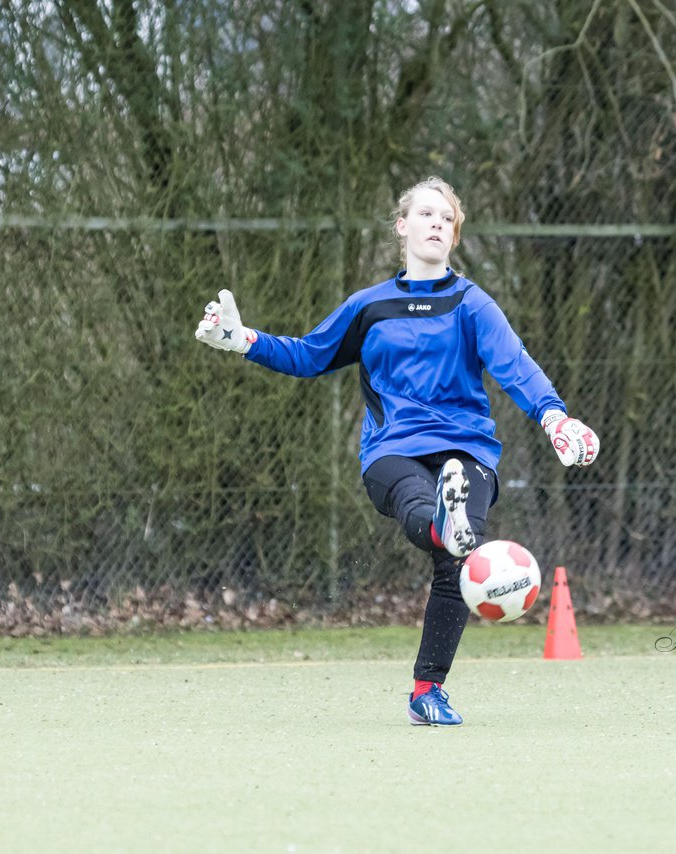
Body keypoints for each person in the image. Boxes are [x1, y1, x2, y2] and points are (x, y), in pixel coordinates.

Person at [194, 177, 599, 726]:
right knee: (425, 511)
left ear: (453, 236)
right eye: (426, 214)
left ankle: (428, 689)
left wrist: (555, 417)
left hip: (466, 450)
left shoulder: (472, 303)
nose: (436, 223)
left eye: (446, 219)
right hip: (393, 449)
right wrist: (242, 340)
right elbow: (310, 355)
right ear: (402, 226)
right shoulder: (370, 307)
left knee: (455, 562)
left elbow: (515, 366)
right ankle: (442, 528)